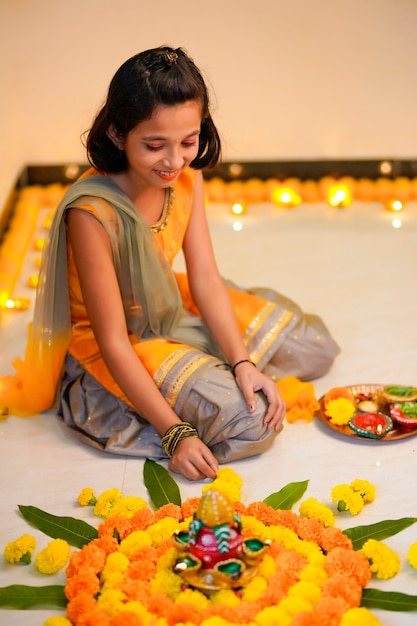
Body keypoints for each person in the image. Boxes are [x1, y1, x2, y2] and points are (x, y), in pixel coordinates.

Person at [0, 46, 340, 481]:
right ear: (117, 134)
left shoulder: (186, 174)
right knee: (249, 424)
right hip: (114, 342)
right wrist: (175, 435)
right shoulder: (92, 213)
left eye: (188, 141)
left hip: (169, 304)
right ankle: (131, 403)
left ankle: (210, 371)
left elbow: (203, 278)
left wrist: (242, 363)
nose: (174, 161)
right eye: (154, 145)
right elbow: (113, 341)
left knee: (314, 347)